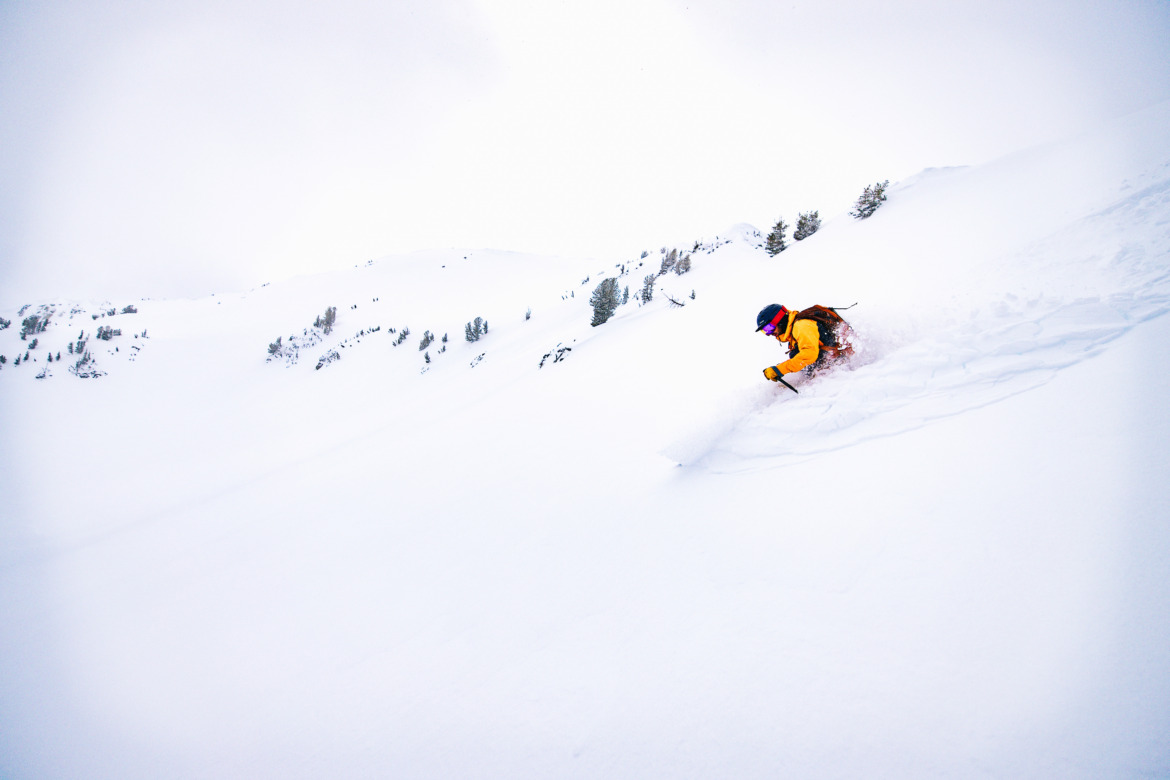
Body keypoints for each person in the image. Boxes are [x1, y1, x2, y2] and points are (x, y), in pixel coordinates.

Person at [756, 303, 854, 384]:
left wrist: (779, 369)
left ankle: (818, 382)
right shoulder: (794, 331)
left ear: (779, 320)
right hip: (834, 357)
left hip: (839, 358)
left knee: (796, 354)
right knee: (795, 354)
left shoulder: (801, 325)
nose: (769, 333)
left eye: (768, 328)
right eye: (765, 331)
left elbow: (809, 354)